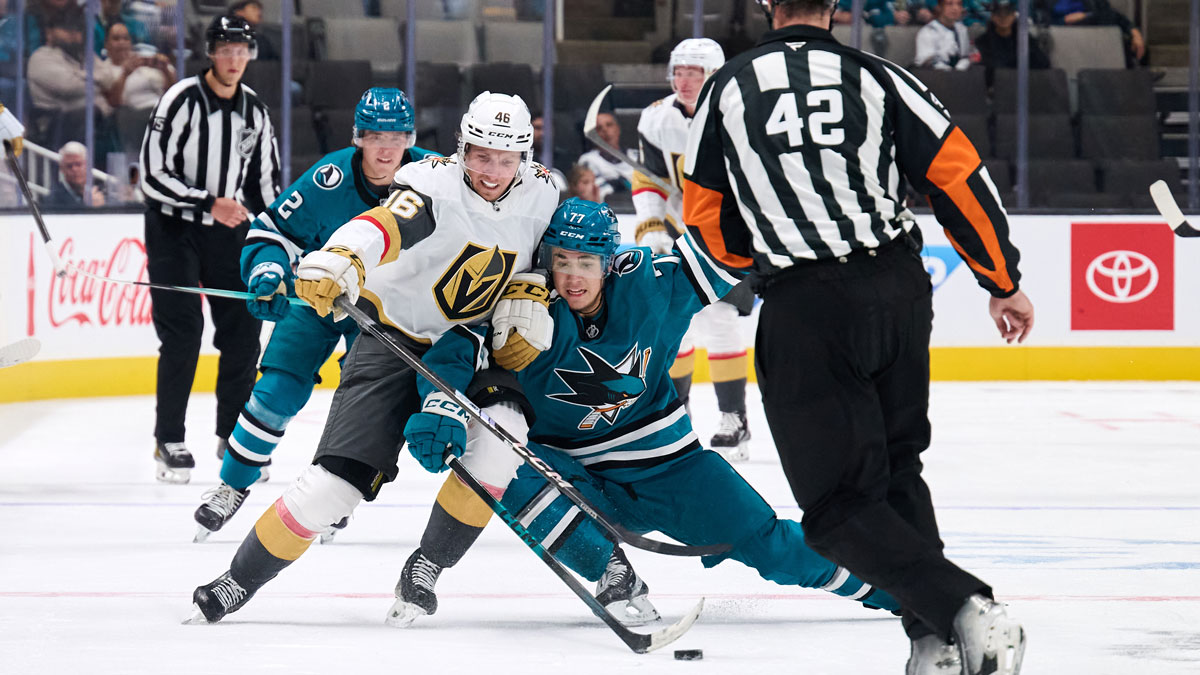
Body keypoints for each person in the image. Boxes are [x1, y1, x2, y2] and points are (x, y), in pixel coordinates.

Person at [682, 1, 1033, 673]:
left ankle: (964, 608)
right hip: (898, 288)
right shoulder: (880, 75)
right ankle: (934, 641)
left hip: (808, 302)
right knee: (898, 471)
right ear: (836, 6)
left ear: (767, 4)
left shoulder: (728, 86)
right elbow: (958, 174)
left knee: (835, 509)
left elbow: (705, 216)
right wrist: (1001, 279)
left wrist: (765, 258)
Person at [388, 198, 899, 627]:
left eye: (586, 262)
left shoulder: (652, 285)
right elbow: (457, 349)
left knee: (769, 544)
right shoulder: (523, 304)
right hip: (576, 477)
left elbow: (726, 248)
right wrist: (440, 404)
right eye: (562, 260)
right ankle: (608, 569)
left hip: (671, 467)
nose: (572, 277)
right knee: (502, 457)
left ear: (609, 263)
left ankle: (894, 587)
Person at [186, 91, 560, 624]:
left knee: (501, 445)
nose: (492, 171)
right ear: (462, 148)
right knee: (331, 488)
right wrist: (343, 255)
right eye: (481, 156)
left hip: (476, 347)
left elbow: (551, 258)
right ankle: (237, 580)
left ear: (524, 156)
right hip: (393, 338)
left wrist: (532, 292)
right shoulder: (431, 183)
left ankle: (427, 566)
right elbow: (384, 225)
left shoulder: (544, 192)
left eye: (506, 159)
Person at [191, 87, 439, 541]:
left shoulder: (434, 178)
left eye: (396, 137)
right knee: (277, 389)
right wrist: (268, 271)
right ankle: (232, 485)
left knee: (365, 408)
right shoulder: (330, 178)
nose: (386, 149)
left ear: (410, 138)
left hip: (389, 311)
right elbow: (273, 232)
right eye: (375, 137)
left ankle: (333, 495)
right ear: (358, 138)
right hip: (317, 296)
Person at [139, 15, 281, 484]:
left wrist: (281, 235)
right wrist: (207, 202)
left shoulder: (255, 111)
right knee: (183, 333)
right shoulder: (180, 99)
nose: (234, 59)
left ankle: (232, 437)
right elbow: (152, 174)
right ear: (211, 53)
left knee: (243, 333)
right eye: (226, 50)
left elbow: (264, 186)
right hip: (173, 229)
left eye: (242, 51)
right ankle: (169, 439)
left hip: (228, 231)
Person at [634, 38, 754, 461]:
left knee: (720, 320)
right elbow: (647, 179)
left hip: (726, 234)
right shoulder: (656, 118)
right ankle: (677, 414)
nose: (684, 81)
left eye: (695, 72)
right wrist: (652, 225)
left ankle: (734, 418)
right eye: (680, 72)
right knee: (676, 324)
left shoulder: (739, 113)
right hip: (678, 230)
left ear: (714, 74)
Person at [97, 21, 176, 111]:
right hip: (132, 115)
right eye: (116, 39)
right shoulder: (103, 70)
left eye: (126, 38)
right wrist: (125, 74)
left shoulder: (145, 59)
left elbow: (173, 91)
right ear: (106, 44)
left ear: (130, 43)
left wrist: (165, 70)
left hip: (161, 108)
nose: (122, 42)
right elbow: (113, 103)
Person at [974, 0, 1049, 87]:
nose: (1003, 18)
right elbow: (987, 70)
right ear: (992, 17)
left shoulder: (1025, 39)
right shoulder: (983, 41)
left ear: (1013, 16)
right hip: (996, 87)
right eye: (999, 15)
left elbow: (1043, 63)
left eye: (1007, 14)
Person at [575, 111, 633, 200]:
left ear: (618, 129)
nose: (605, 130)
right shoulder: (588, 160)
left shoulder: (638, 156)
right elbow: (593, 192)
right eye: (599, 128)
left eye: (609, 125)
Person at [914, 0, 979, 70]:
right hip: (935, 74)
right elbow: (925, 63)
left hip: (960, 73)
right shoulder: (928, 31)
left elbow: (967, 56)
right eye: (949, 4)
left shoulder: (962, 29)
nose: (955, 8)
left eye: (959, 4)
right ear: (939, 7)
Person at [43, 141, 105, 208]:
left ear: (88, 165)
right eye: (69, 166)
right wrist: (88, 207)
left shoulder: (101, 190)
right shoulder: (53, 200)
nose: (74, 169)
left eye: (78, 164)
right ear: (62, 169)